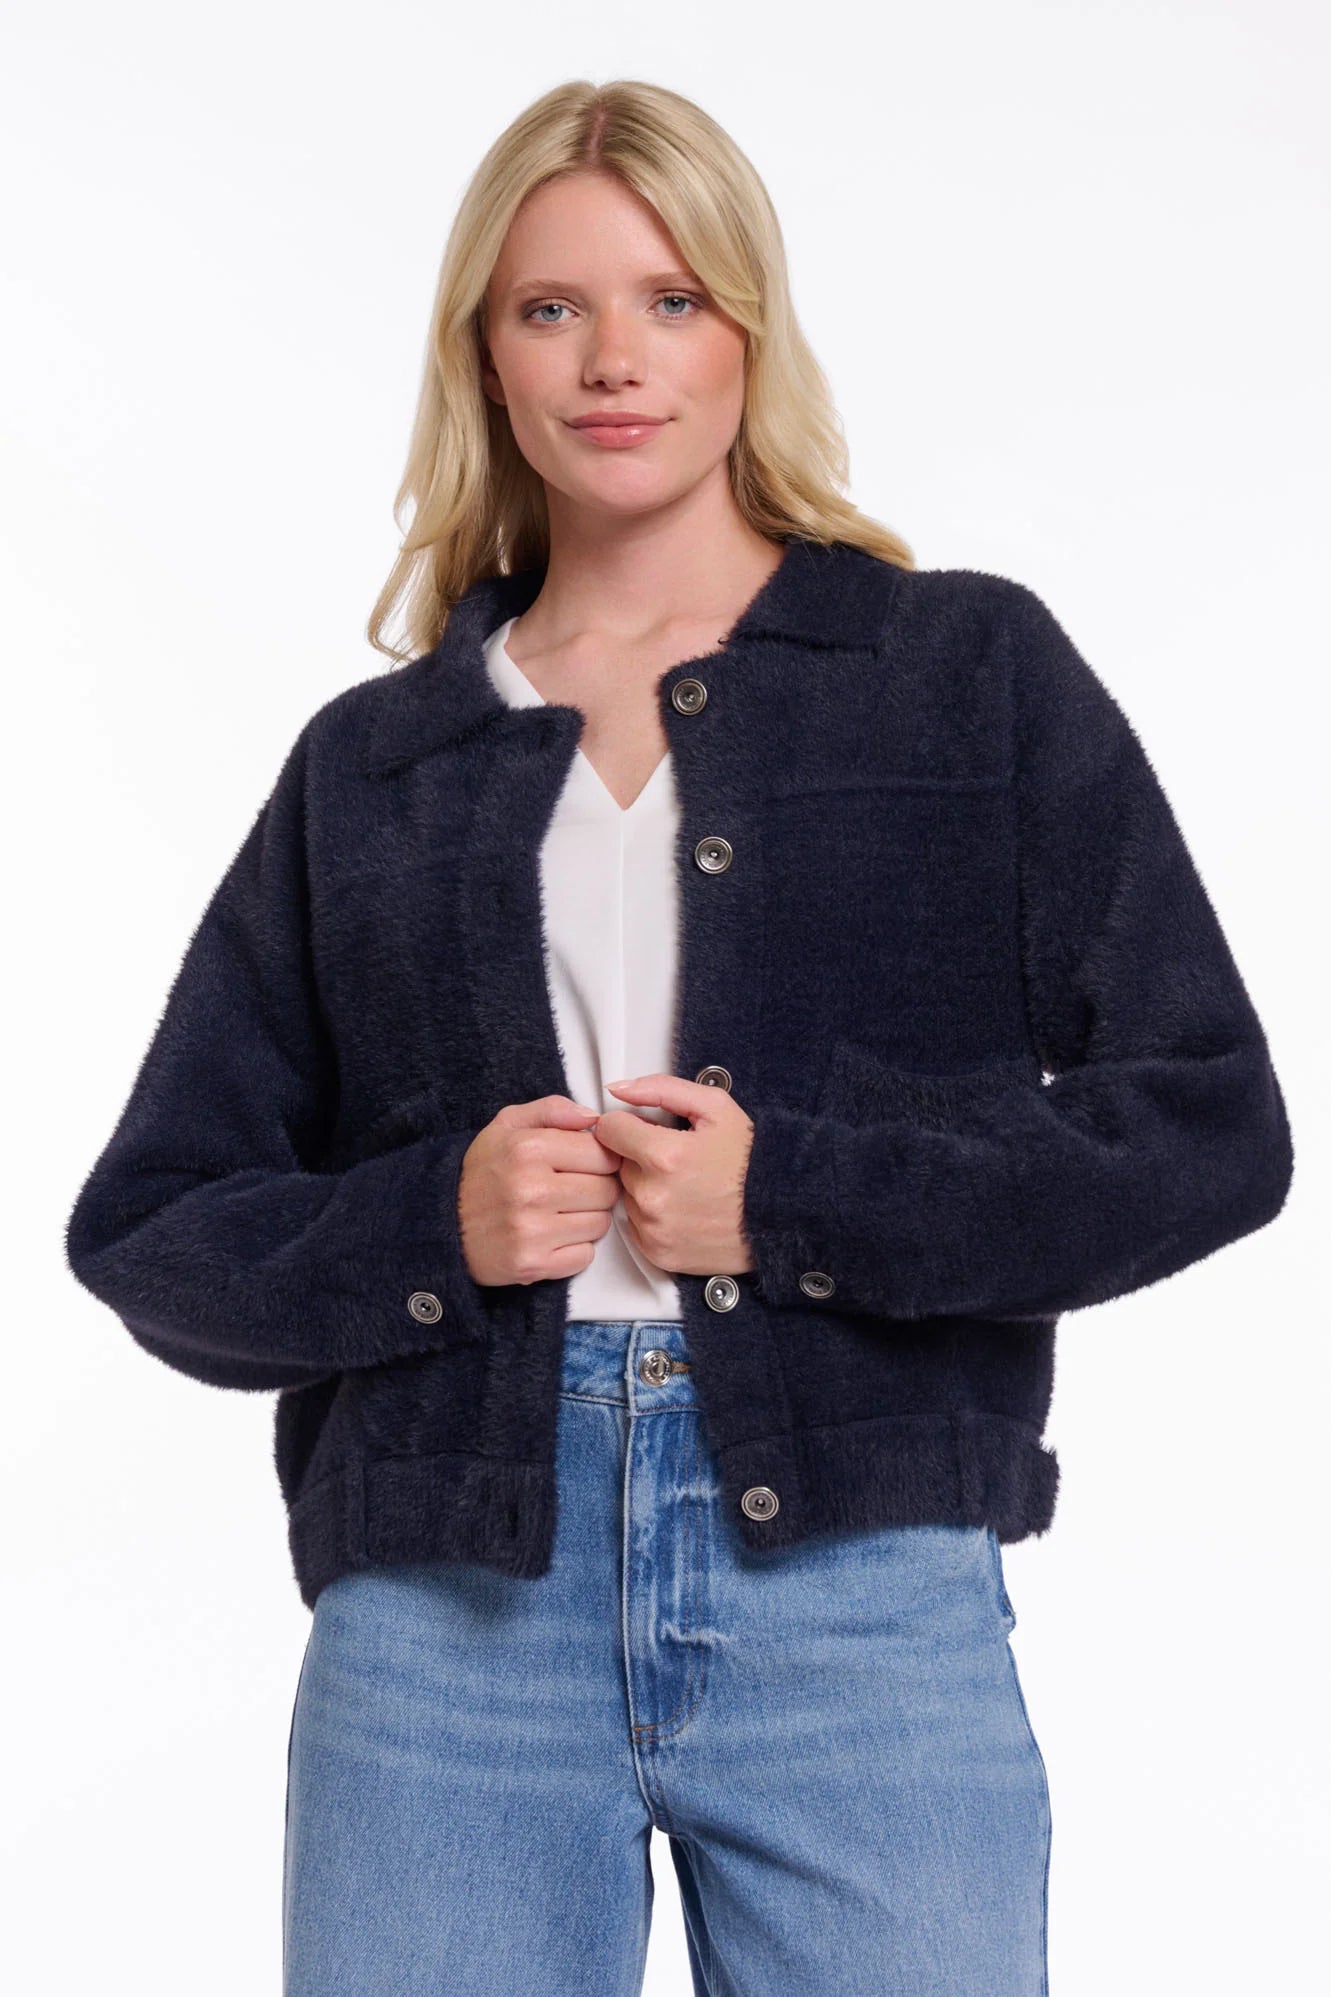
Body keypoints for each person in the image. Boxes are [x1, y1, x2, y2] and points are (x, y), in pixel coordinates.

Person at [65, 77, 1294, 1997]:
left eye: (672, 299)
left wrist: (791, 1202)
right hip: (450, 1615)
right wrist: (434, 1225)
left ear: (750, 328)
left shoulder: (961, 677)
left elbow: (1210, 1125)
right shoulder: (378, 763)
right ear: (485, 355)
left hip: (861, 1594)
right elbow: (155, 1224)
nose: (613, 360)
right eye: (551, 308)